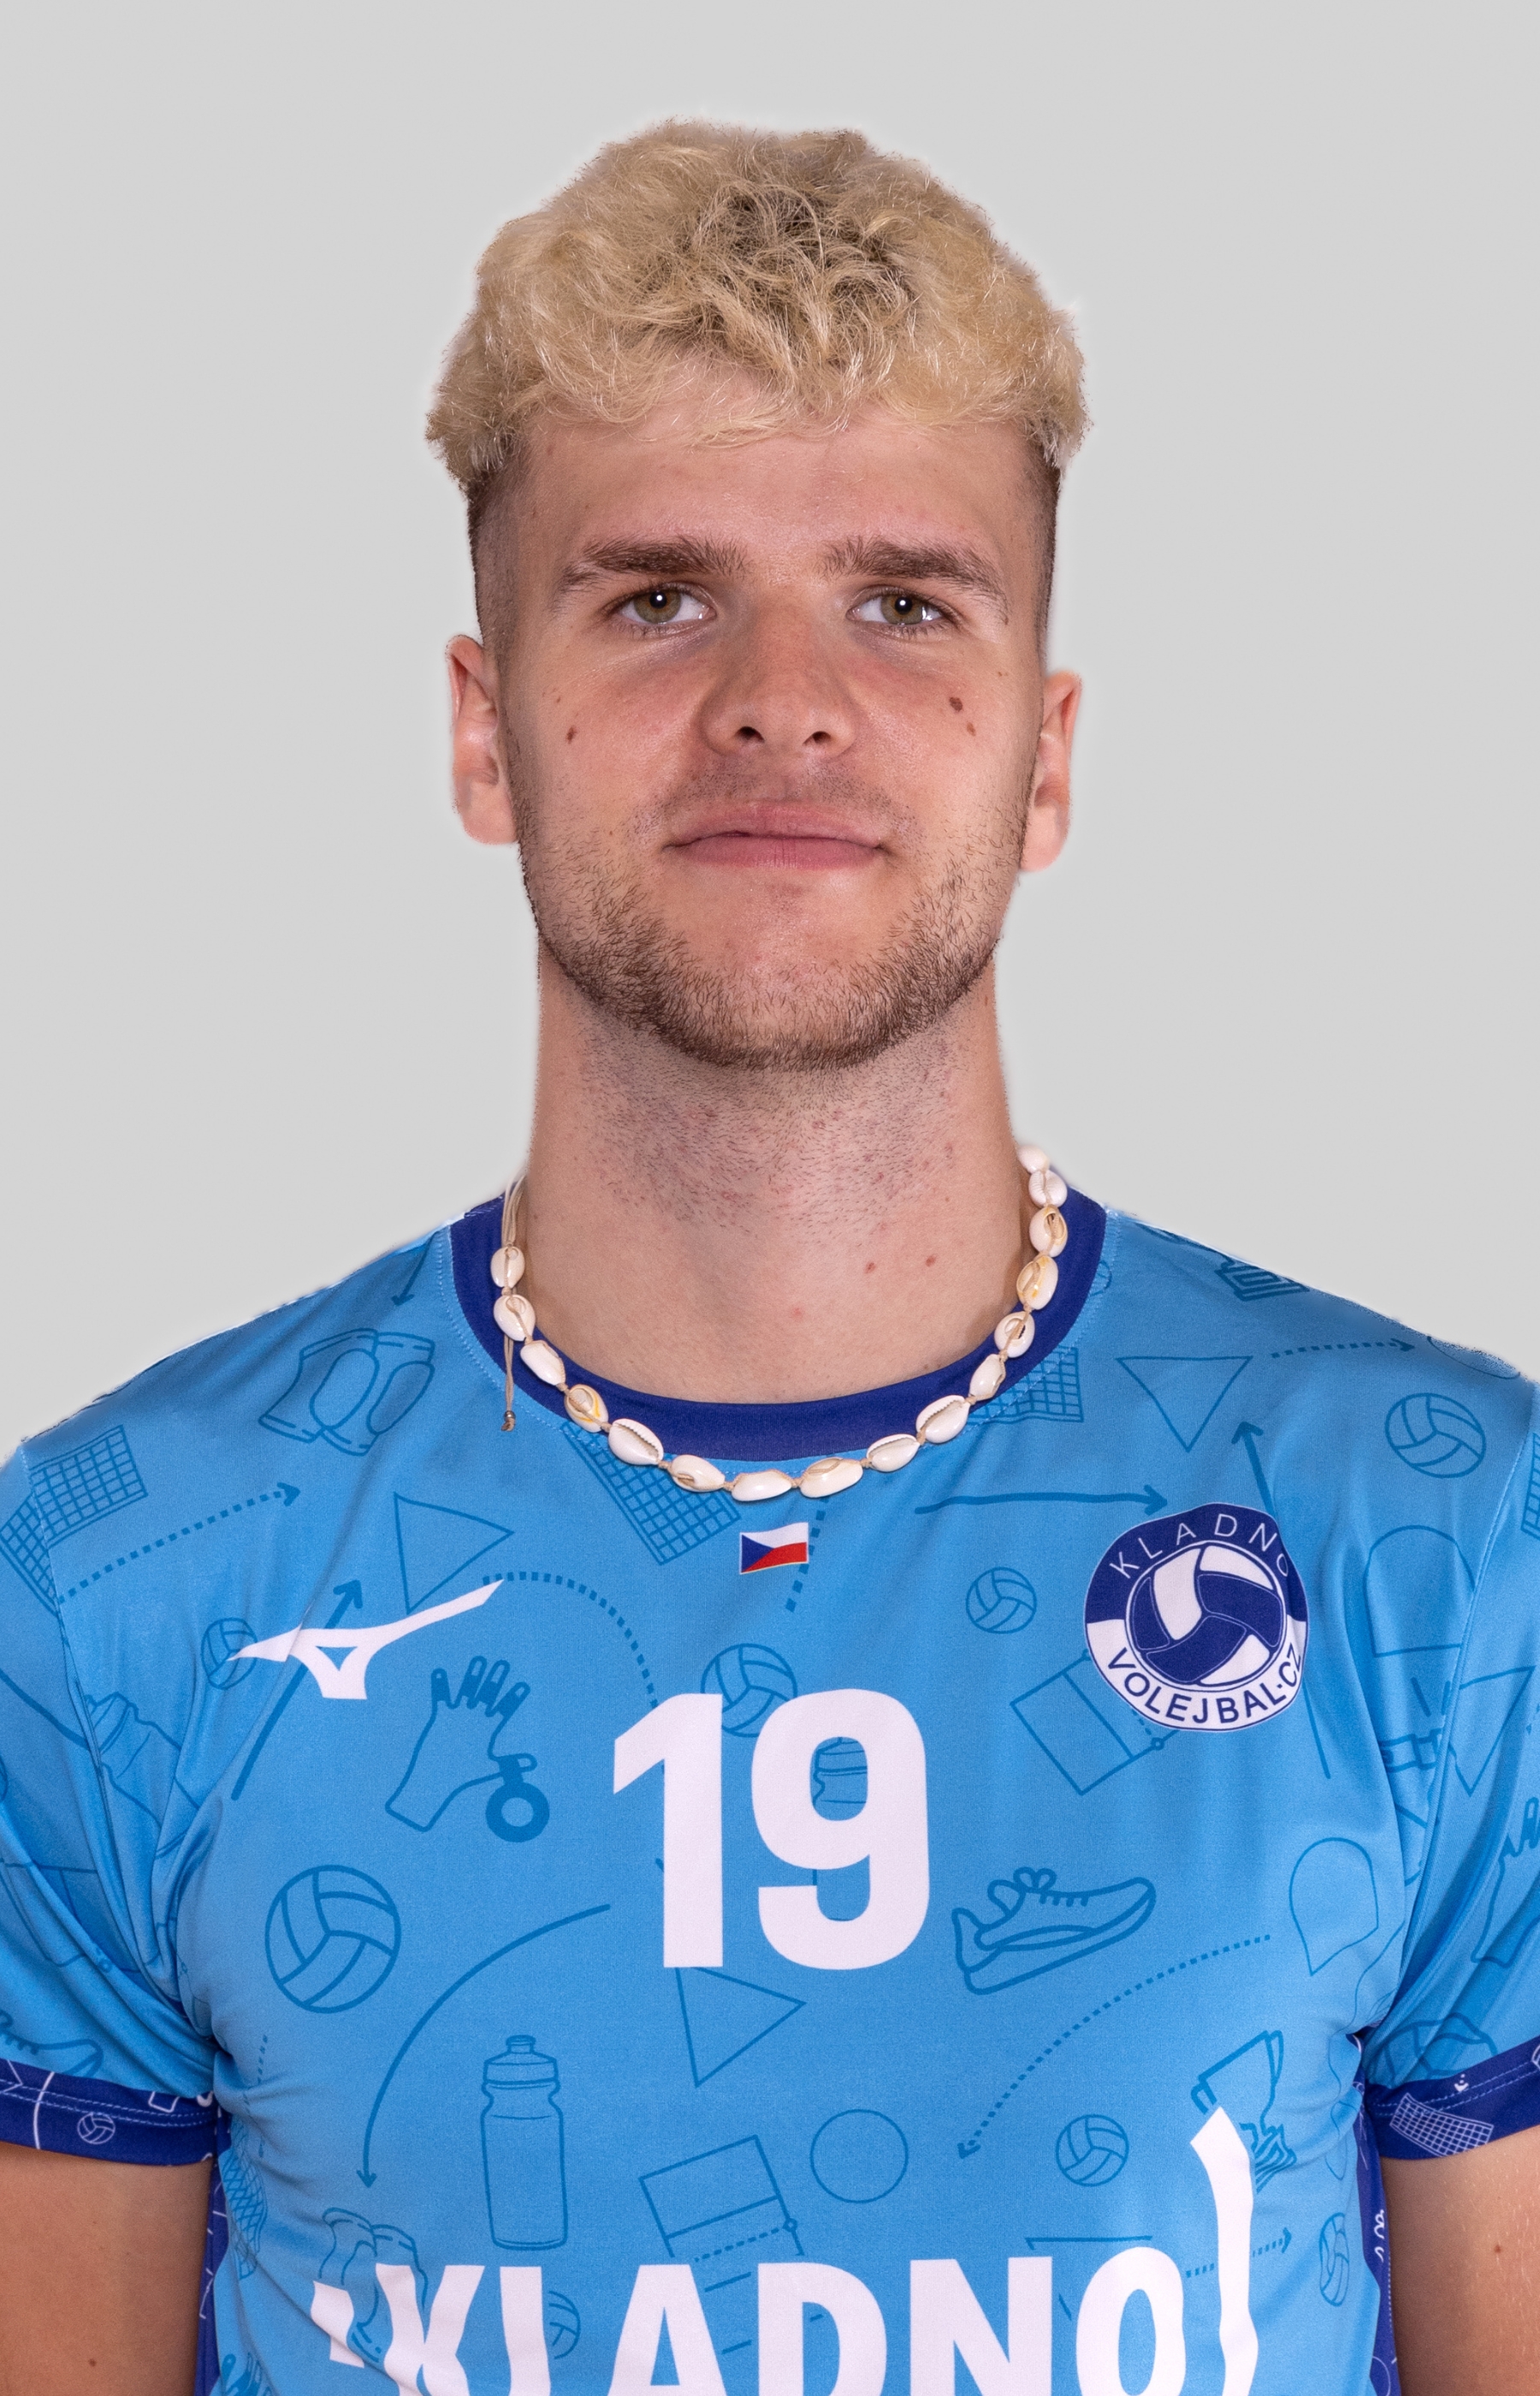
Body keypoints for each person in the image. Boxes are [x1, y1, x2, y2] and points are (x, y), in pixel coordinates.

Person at [0, 122, 1532, 2396]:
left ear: (1046, 759)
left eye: (905, 603)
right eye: (657, 598)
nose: (781, 701)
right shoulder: (116, 1584)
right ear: (483, 734)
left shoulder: (1446, 1540)